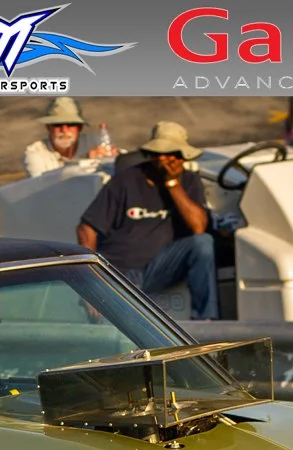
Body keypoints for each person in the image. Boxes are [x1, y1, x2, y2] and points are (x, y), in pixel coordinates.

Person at [76, 121, 218, 320]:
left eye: (177, 155)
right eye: (166, 154)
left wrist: (172, 183)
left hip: (160, 269)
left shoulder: (189, 181)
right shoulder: (125, 181)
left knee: (203, 243)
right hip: (120, 272)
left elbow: (198, 227)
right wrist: (91, 280)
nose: (171, 161)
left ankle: (206, 322)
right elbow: (87, 228)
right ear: (154, 155)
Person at [23, 96, 114, 177]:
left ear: (79, 127)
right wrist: (89, 162)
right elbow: (45, 185)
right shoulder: (35, 153)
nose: (64, 130)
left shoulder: (94, 142)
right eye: (58, 124)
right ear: (48, 127)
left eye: (70, 124)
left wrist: (113, 157)